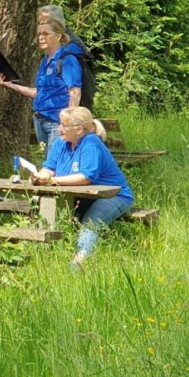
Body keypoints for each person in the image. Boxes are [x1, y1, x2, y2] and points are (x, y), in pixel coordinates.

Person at [31, 107, 133, 267]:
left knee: (89, 224)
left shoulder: (91, 144)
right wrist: (41, 175)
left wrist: (52, 181)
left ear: (79, 129)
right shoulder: (60, 143)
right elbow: (49, 167)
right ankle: (46, 259)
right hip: (81, 197)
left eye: (64, 125)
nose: (59, 128)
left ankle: (78, 265)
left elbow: (86, 177)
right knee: (43, 210)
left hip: (113, 196)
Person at [0, 19, 81, 146]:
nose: (41, 38)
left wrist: (67, 123)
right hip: (40, 119)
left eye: (45, 34)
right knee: (48, 160)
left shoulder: (67, 60)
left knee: (54, 163)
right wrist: (11, 85)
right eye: (39, 35)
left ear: (58, 36)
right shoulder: (44, 62)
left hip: (57, 122)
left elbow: (75, 93)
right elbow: (39, 93)